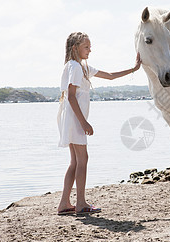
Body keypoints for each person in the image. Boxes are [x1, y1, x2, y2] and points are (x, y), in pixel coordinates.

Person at [57, 32, 141, 215]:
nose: (89, 50)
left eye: (90, 47)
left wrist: (134, 69)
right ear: (75, 48)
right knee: (82, 159)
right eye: (86, 47)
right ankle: (80, 203)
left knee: (75, 161)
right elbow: (71, 97)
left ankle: (64, 203)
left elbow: (110, 76)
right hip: (74, 118)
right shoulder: (75, 67)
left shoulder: (82, 67)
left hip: (72, 118)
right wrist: (84, 123)